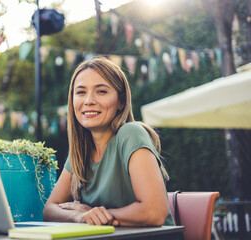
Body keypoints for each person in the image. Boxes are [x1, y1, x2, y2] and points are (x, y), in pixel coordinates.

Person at [43, 57, 174, 226]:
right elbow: (49, 210)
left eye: (101, 91)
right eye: (81, 92)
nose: (89, 100)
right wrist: (80, 217)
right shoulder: (80, 152)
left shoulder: (131, 133)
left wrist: (95, 214)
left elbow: (154, 213)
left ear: (120, 102)